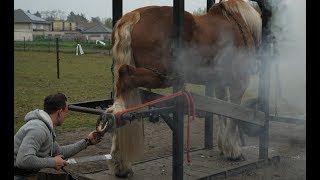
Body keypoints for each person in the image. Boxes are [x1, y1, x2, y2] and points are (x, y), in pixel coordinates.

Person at [14, 93, 103, 180]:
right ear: (60, 112)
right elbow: (23, 160)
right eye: (66, 112)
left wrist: (87, 141)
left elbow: (60, 152)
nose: (66, 116)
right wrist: (53, 162)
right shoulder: (38, 129)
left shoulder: (46, 128)